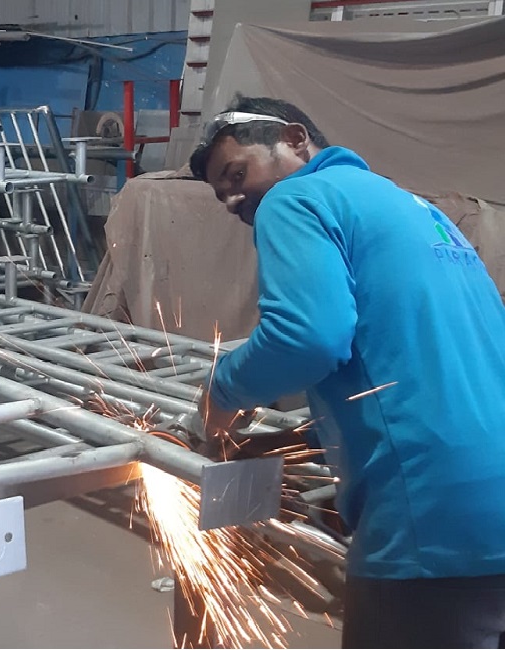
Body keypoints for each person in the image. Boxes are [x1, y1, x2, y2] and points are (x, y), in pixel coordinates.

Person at [189, 95, 505, 649]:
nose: (233, 198)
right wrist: (308, 437)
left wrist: (220, 394)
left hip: (433, 519)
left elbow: (305, 338)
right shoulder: (408, 206)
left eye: (237, 174)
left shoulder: (294, 198)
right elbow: (418, 365)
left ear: (294, 139)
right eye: (222, 193)